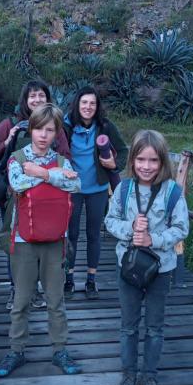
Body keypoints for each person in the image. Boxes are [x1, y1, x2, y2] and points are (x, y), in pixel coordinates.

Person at [0, 103, 82, 377]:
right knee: (21, 299)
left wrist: (41, 174)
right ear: (30, 130)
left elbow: (75, 185)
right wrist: (54, 177)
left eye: (50, 130)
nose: (43, 135)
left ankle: (60, 350)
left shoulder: (63, 161)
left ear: (56, 134)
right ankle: (16, 350)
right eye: (39, 129)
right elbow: (17, 184)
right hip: (23, 239)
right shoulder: (17, 159)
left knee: (56, 300)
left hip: (56, 239)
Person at [104, 129, 189, 385]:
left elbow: (181, 227)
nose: (147, 166)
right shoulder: (124, 189)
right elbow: (110, 221)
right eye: (141, 159)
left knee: (155, 327)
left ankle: (149, 376)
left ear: (163, 162)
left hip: (160, 270)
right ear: (132, 160)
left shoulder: (172, 192)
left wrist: (155, 239)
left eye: (153, 161)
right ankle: (128, 374)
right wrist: (130, 229)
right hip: (128, 267)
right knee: (128, 326)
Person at [0, 79, 70, 311]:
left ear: (47, 99)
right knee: (14, 243)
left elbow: (67, 157)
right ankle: (17, 291)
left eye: (41, 95)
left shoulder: (56, 127)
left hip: (46, 198)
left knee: (40, 240)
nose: (36, 100)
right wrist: (8, 139)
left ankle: (33, 290)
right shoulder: (9, 124)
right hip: (15, 196)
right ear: (25, 100)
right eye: (32, 96)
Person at [63, 86, 127, 299]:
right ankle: (68, 278)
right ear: (77, 104)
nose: (88, 107)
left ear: (97, 106)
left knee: (93, 235)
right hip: (72, 190)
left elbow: (124, 151)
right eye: (84, 103)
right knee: (71, 234)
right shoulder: (66, 126)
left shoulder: (105, 126)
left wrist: (113, 164)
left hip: (98, 189)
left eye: (92, 103)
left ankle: (91, 280)